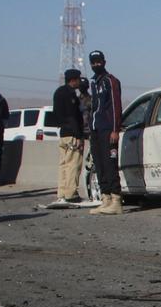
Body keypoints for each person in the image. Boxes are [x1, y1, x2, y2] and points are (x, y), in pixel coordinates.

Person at [88, 50, 123, 215]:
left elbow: (116, 106)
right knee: (99, 164)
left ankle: (116, 199)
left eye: (98, 62)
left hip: (108, 129)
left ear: (104, 62)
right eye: (93, 62)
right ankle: (105, 198)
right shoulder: (95, 83)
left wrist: (115, 129)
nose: (96, 65)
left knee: (110, 163)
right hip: (95, 129)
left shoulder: (110, 81)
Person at [53, 69, 86, 203]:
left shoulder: (58, 92)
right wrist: (78, 135)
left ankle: (62, 192)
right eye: (78, 79)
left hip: (63, 134)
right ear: (73, 80)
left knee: (64, 164)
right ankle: (71, 193)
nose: (79, 81)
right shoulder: (70, 94)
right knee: (73, 164)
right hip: (72, 134)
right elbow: (72, 116)